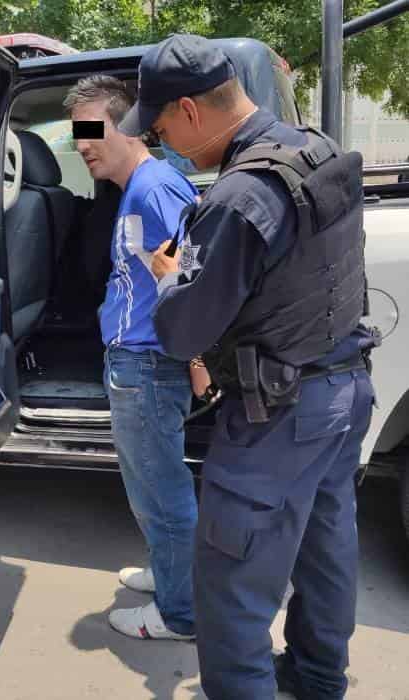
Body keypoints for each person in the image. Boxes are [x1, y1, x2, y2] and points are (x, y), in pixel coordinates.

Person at [119, 34, 377, 699]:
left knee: (230, 586)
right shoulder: (311, 148)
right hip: (343, 390)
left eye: (161, 129)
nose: (165, 145)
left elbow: (181, 332)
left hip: (278, 416)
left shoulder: (238, 197)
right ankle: (316, 681)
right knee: (324, 552)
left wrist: (170, 276)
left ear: (189, 109)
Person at [64, 75, 207, 640]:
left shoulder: (152, 189)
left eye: (92, 129)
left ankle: (180, 614)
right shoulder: (140, 188)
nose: (83, 144)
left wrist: (196, 360)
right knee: (149, 489)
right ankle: (171, 576)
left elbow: (188, 279)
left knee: (161, 493)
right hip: (137, 361)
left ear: (127, 125)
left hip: (148, 364)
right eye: (77, 133)